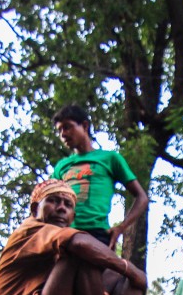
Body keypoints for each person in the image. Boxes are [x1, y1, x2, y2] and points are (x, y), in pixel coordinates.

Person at [0, 179, 147, 295]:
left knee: (118, 277)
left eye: (68, 204)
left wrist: (131, 281)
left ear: (73, 216)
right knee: (82, 256)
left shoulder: (54, 244)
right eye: (53, 201)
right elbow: (80, 244)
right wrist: (134, 272)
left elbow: (109, 273)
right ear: (35, 209)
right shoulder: (30, 229)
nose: (61, 208)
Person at [52, 104, 149, 249]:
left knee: (97, 271)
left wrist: (121, 228)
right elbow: (49, 200)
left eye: (67, 127)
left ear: (85, 126)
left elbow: (142, 197)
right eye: (59, 130)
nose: (63, 134)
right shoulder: (61, 166)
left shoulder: (109, 158)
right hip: (66, 233)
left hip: (98, 233)